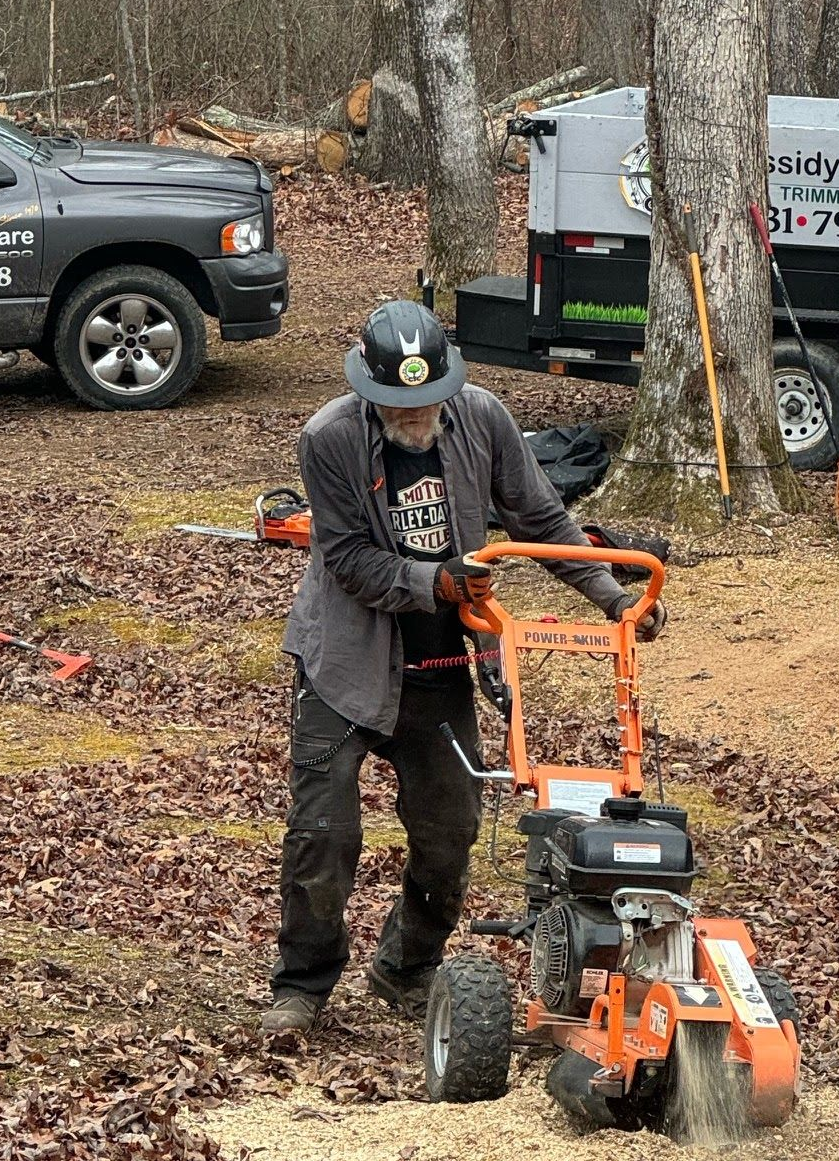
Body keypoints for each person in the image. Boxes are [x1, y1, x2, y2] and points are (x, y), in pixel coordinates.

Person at [263, 300, 666, 1035]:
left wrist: (613, 596)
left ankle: (406, 964)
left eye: (428, 404)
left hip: (444, 660)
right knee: (324, 832)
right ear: (368, 393)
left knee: (450, 833)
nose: (417, 418)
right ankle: (302, 983)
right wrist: (432, 583)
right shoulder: (327, 439)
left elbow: (539, 518)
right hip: (347, 662)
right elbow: (348, 558)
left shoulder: (483, 418)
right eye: (399, 406)